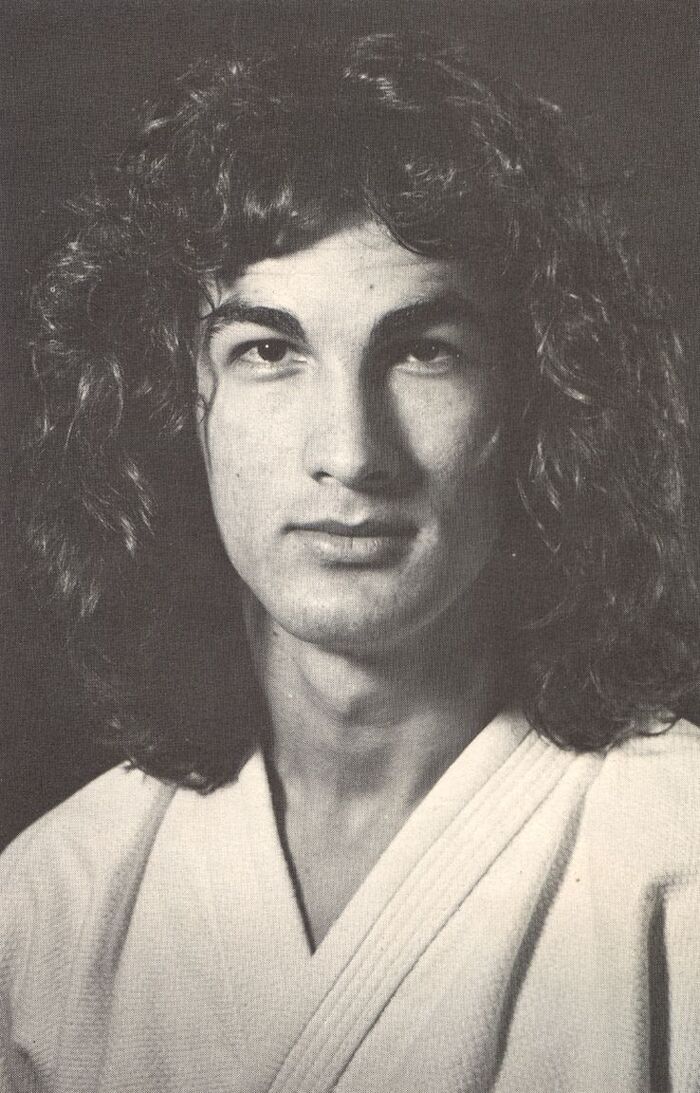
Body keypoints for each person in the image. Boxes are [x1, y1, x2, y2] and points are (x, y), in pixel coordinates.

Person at [2, 30, 700, 1093]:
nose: (351, 452)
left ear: (530, 397)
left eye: (423, 351)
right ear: (177, 403)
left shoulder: (674, 861)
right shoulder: (50, 909)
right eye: (268, 351)